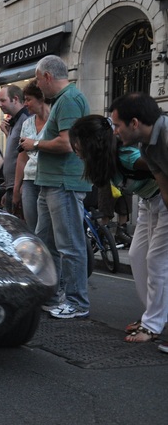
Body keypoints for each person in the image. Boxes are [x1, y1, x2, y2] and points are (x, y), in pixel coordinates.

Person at [69, 114, 161, 343]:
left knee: (157, 261)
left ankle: (152, 324)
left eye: (77, 143)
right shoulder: (106, 161)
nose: (74, 149)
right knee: (137, 255)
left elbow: (160, 164)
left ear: (92, 143)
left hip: (163, 201)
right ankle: (155, 315)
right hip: (148, 204)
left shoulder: (127, 156)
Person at [20, 54, 91, 319]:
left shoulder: (70, 100)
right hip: (50, 181)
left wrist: (34, 144)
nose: (38, 86)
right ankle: (53, 296)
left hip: (63, 182)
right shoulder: (63, 100)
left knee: (70, 245)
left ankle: (76, 302)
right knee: (46, 244)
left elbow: (67, 143)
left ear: (48, 77)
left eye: (38, 80)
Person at [108, 92, 168, 353]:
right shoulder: (146, 145)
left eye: (117, 125)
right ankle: (154, 320)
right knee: (144, 256)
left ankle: (154, 324)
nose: (115, 131)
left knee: (156, 260)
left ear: (134, 122)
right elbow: (162, 181)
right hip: (158, 202)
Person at [15, 80, 50, 232]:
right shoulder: (27, 124)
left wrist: (35, 143)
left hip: (48, 179)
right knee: (32, 226)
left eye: (29, 99)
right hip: (29, 180)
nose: (26, 104)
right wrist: (17, 187)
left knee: (47, 229)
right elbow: (22, 158)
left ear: (41, 98)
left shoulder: (54, 121)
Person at [0, 84, 28, 214]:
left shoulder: (25, 120)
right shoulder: (15, 121)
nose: (0, 105)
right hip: (12, 187)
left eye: (2, 100)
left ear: (15, 99)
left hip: (19, 187)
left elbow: (25, 155)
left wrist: (17, 189)